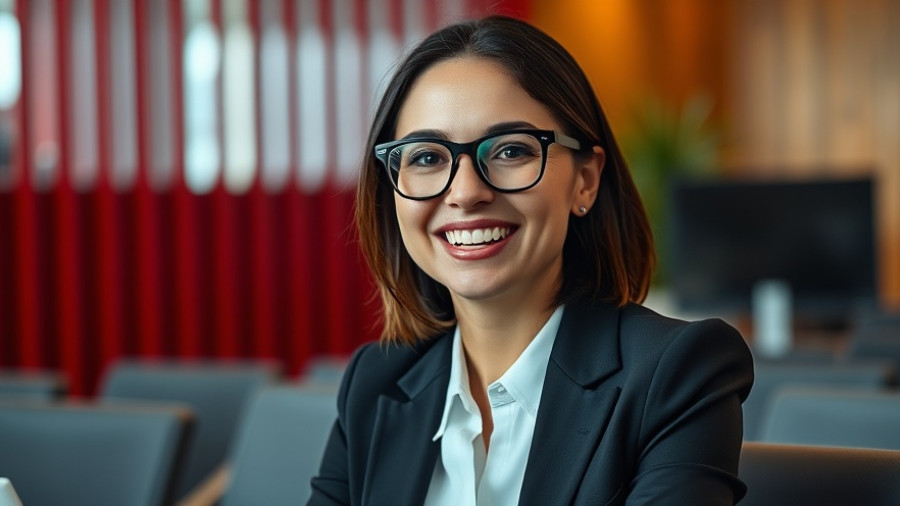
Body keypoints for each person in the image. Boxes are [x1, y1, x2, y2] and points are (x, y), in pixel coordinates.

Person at [309, 15, 753, 506]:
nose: (466, 192)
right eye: (427, 158)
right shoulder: (376, 385)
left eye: (511, 150)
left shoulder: (676, 376)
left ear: (585, 180)